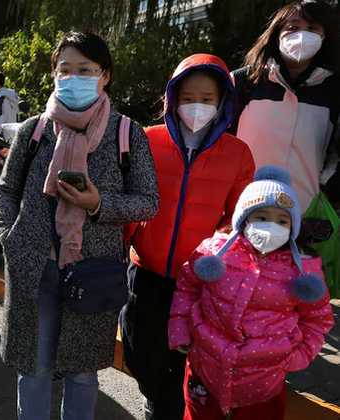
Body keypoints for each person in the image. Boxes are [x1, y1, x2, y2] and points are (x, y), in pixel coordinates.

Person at [0, 32, 159, 420]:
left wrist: (98, 203)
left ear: (105, 75)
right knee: (33, 369)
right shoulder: (35, 130)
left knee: (82, 374)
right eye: (64, 69)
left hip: (92, 272)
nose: (73, 78)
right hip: (34, 268)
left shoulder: (126, 133)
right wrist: (11, 237)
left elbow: (148, 201)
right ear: (54, 74)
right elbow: (7, 188)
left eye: (85, 70)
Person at [120, 53, 256, 420]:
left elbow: (238, 218)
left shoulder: (238, 154)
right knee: (138, 349)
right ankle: (157, 401)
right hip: (145, 273)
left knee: (183, 361)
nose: (197, 106)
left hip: (198, 283)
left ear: (223, 102)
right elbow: (130, 201)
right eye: (188, 97)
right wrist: (118, 245)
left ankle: (165, 409)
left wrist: (216, 255)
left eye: (207, 98)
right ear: (172, 98)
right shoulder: (147, 140)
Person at [168, 166, 334, 420]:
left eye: (282, 221)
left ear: (294, 226)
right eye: (261, 217)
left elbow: (318, 319)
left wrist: (298, 356)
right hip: (205, 370)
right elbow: (187, 288)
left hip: (263, 384)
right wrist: (181, 330)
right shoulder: (214, 252)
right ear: (243, 219)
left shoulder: (302, 272)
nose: (271, 227)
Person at [232, 0, 340, 211]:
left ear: (324, 36)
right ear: (276, 34)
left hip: (306, 212)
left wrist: (326, 191)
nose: (302, 35)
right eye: (293, 27)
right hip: (242, 209)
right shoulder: (242, 82)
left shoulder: (334, 90)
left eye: (312, 28)